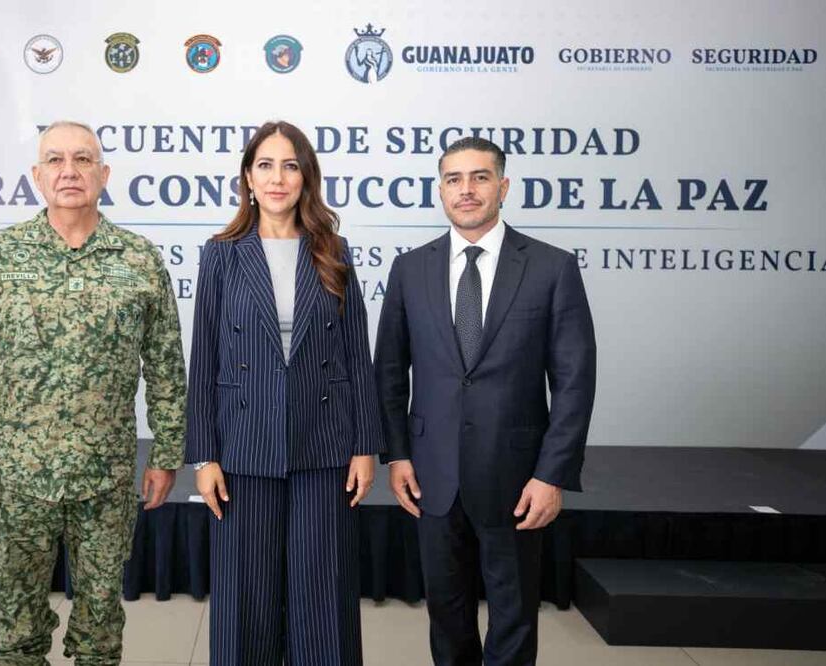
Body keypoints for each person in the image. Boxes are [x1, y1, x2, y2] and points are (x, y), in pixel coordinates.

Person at [0, 120, 187, 666]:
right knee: (18, 634)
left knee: (100, 634)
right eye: (57, 160)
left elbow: (165, 366)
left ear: (105, 174)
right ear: (37, 176)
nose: (70, 171)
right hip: (19, 482)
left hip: (106, 482)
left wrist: (166, 452)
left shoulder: (138, 260)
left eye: (84, 159)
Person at [374, 137, 596, 666]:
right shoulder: (411, 270)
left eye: (479, 177)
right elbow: (388, 371)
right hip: (432, 474)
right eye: (453, 179)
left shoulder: (551, 268)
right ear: (440, 190)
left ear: (504, 186)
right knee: (446, 614)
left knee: (514, 614)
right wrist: (398, 455)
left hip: (518, 478)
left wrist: (552, 475)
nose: (466, 190)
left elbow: (574, 380)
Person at [185, 120, 384, 666]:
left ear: (306, 178)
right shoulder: (222, 254)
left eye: (290, 165)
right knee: (244, 598)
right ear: (248, 177)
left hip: (323, 447)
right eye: (266, 165)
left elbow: (354, 356)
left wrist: (365, 444)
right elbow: (204, 360)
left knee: (323, 592)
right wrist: (204, 455)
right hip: (243, 448)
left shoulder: (333, 249)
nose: (277, 178)